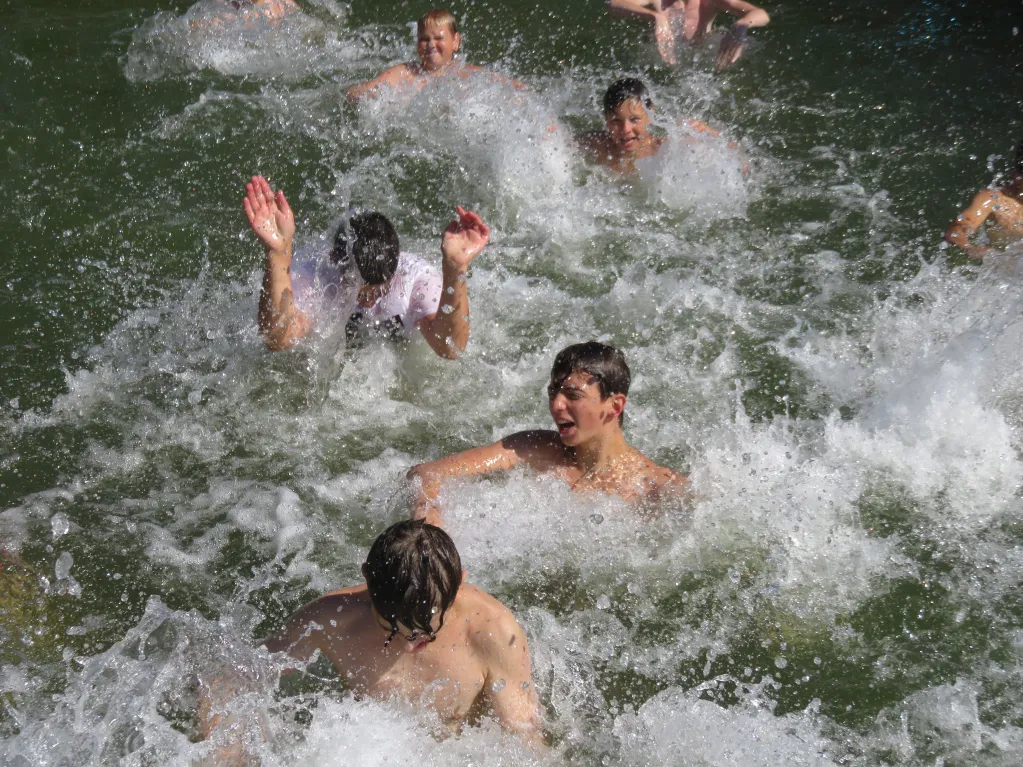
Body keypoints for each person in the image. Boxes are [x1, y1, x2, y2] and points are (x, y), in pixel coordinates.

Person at [198, 520, 543, 749]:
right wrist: (227, 753)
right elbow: (232, 676)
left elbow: (525, 741)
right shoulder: (331, 620)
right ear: (366, 578)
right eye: (390, 626)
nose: (410, 642)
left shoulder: (494, 632)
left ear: (460, 583)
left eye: (427, 631)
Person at [406, 341, 688, 526]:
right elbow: (426, 473)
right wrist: (429, 519)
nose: (555, 405)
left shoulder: (656, 488)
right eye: (553, 393)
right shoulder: (534, 449)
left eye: (572, 395)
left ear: (615, 406)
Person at [244, 175, 490, 358]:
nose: (370, 301)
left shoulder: (416, 279)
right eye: (360, 292)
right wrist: (278, 255)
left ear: (397, 261)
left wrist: (455, 269)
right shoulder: (316, 276)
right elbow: (279, 340)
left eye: (380, 290)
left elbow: (450, 348)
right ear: (333, 260)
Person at [346, 9, 523, 104]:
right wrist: (370, 96)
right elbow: (358, 91)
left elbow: (513, 87)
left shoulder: (467, 73)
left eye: (439, 38)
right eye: (424, 39)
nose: (431, 44)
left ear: (455, 42)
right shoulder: (406, 73)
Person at [578, 78, 743, 176]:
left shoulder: (664, 151)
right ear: (606, 119)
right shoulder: (597, 145)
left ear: (650, 115)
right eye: (616, 121)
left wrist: (709, 133)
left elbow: (740, 166)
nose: (625, 129)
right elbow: (564, 146)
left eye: (634, 119)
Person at [607, 0, 769, 69]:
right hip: (657, 61)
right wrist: (654, 16)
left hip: (701, 59)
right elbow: (613, 4)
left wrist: (742, 24)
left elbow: (761, 14)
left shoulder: (709, 2)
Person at [944, 142, 1023, 261]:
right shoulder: (993, 198)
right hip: (1001, 266)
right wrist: (971, 249)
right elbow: (955, 231)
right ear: (1015, 171)